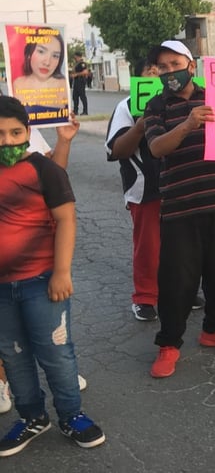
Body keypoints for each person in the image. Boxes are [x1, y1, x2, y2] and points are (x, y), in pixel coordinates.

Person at [0, 95, 105, 457]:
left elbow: (65, 219)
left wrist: (61, 272)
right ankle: (32, 417)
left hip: (41, 282)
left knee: (56, 353)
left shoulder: (43, 170)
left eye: (15, 132)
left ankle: (71, 415)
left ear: (27, 133)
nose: (8, 141)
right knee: (13, 356)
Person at [144, 40, 215, 379]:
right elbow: (157, 148)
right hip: (180, 207)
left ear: (192, 65)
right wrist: (188, 124)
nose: (168, 71)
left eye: (174, 63)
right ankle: (169, 344)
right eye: (162, 67)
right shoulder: (155, 106)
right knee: (178, 280)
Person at [105, 61, 163, 322]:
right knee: (148, 246)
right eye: (150, 71)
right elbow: (116, 150)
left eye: (162, 70)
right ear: (139, 78)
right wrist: (140, 126)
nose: (157, 75)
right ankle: (145, 297)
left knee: (181, 244)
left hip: (180, 185)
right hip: (145, 187)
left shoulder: (180, 101)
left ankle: (178, 289)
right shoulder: (126, 106)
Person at [69, 52, 89, 116]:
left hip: (81, 81)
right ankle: (75, 111)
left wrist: (76, 75)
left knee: (82, 97)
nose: (74, 58)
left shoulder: (82, 64)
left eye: (75, 57)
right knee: (75, 97)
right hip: (76, 82)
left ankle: (85, 111)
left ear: (78, 56)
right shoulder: (76, 64)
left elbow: (85, 72)